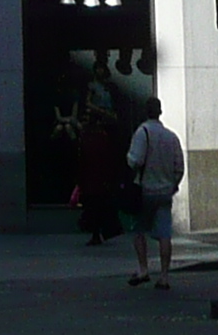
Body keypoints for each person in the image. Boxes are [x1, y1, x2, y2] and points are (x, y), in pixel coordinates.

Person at [123, 97, 183, 289]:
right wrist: (173, 185)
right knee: (165, 234)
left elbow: (135, 161)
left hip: (146, 190)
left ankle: (143, 269)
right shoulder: (171, 136)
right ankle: (164, 276)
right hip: (165, 191)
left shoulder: (142, 133)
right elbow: (179, 167)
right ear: (160, 112)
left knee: (139, 230)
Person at [74, 102, 123, 247]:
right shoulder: (101, 136)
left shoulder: (90, 137)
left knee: (95, 208)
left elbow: (83, 159)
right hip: (99, 180)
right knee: (99, 207)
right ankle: (101, 232)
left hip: (93, 181)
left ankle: (97, 233)